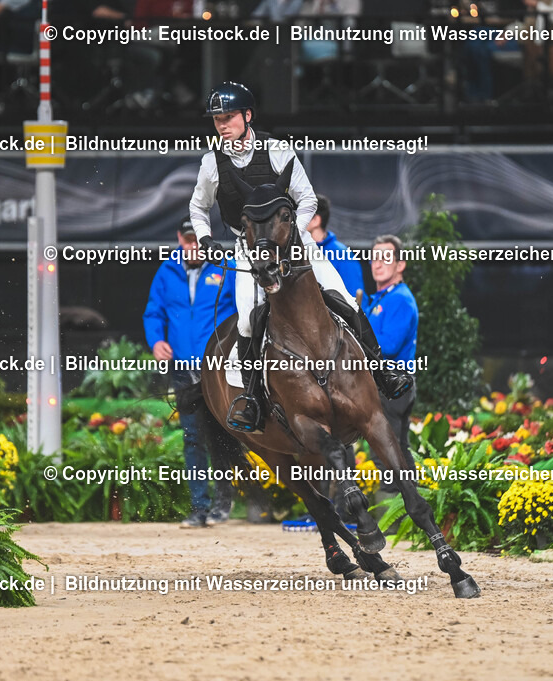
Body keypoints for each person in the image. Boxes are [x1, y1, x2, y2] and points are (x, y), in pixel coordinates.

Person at [188, 81, 412, 434]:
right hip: (249, 250)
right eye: (217, 119)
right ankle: (251, 399)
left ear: (247, 116)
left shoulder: (278, 151)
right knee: (247, 322)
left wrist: (293, 236)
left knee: (345, 302)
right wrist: (204, 239)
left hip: (295, 244)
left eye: (228, 117)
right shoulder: (210, 164)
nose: (221, 125)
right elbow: (198, 208)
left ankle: (382, 371)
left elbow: (306, 199)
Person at [143, 219, 238, 527]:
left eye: (197, 239)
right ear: (179, 240)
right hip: (183, 369)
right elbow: (153, 312)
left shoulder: (226, 268)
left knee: (223, 434)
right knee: (192, 436)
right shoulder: (166, 272)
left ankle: (224, 502)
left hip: (218, 369)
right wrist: (157, 341)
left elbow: (243, 309)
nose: (192, 246)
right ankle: (199, 507)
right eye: (187, 240)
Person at [362, 235, 419, 504]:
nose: (378, 264)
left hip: (393, 384)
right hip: (387, 384)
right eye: (375, 258)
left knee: (387, 449)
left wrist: (358, 338)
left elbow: (390, 345)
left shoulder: (400, 299)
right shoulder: (381, 297)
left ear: (400, 265)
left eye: (386, 258)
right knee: (397, 448)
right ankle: (410, 508)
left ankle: (397, 511)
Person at [305, 194, 364, 298]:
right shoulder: (298, 252)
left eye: (303, 214)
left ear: (316, 220)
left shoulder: (342, 254)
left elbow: (355, 296)